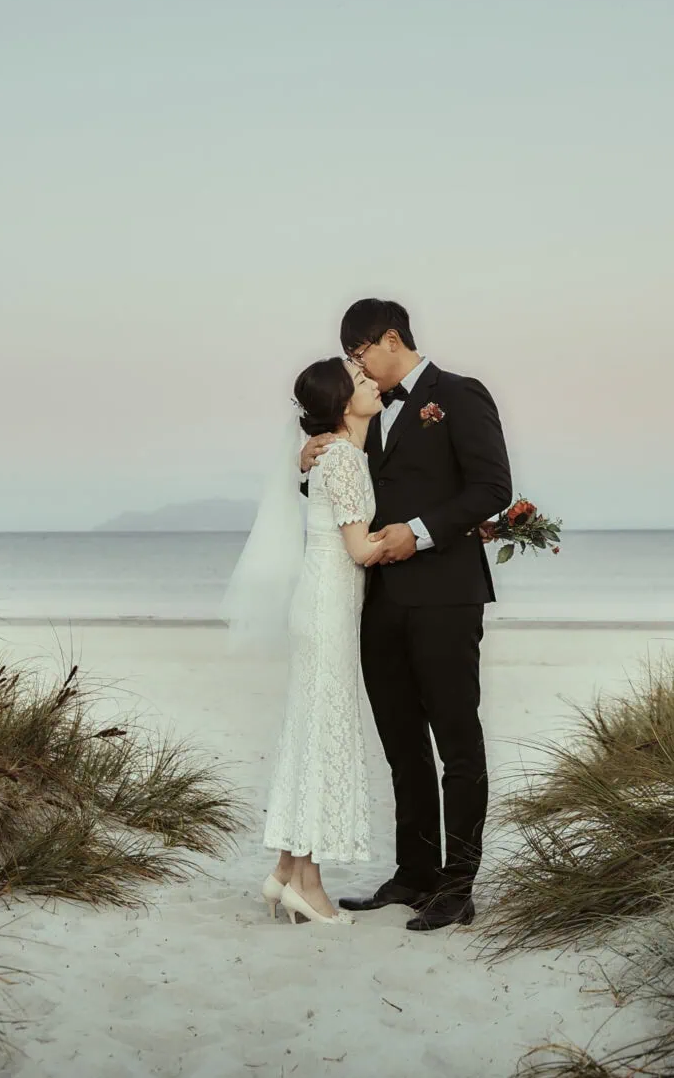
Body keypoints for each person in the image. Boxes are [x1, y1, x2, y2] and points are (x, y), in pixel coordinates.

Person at [301, 298, 512, 932]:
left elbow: (491, 488)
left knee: (456, 740)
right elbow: (343, 496)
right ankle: (414, 872)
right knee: (401, 744)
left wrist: (417, 533)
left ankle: (458, 883)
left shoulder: (460, 394)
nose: (355, 368)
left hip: (445, 597)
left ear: (391, 338)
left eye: (359, 353)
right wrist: (308, 462)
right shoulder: (363, 416)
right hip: (377, 602)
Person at [249, 357, 388, 925]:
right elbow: (359, 550)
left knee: (309, 730)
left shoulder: (324, 455)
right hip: (330, 608)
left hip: (319, 605)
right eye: (360, 382)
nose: (373, 384)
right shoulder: (345, 460)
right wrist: (424, 537)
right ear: (340, 402)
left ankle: (285, 871)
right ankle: (309, 885)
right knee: (322, 732)